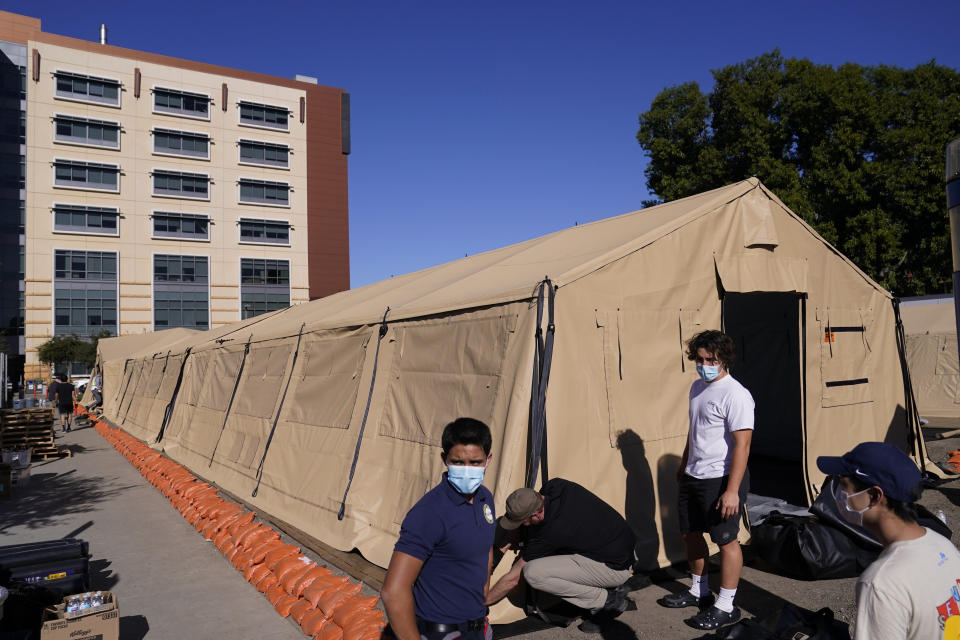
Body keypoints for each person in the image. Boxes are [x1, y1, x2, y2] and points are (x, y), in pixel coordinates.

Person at [657, 330, 754, 630]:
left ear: (724, 358)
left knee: (726, 541)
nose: (704, 365)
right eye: (699, 359)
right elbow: (695, 428)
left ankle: (726, 605)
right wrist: (685, 462)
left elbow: (743, 445)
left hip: (721, 479)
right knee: (690, 534)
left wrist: (732, 491)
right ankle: (698, 591)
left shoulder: (736, 394)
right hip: (694, 475)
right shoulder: (697, 387)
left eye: (710, 359)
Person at [817, 442, 960, 639]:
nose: (838, 495)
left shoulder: (881, 583)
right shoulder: (942, 544)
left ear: (875, 496)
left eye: (843, 486)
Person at [381, 418, 496, 640]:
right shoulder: (430, 512)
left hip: (477, 627)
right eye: (458, 462)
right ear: (444, 459)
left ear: (488, 460)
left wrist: (481, 602)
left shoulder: (485, 499)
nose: (466, 470)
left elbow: (486, 549)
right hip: (442, 632)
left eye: (475, 462)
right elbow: (393, 592)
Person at [485, 478, 636, 633]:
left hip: (616, 568)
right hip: (622, 546)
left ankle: (608, 601)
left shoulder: (551, 531)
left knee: (533, 573)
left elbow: (513, 579)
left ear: (536, 515)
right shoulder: (555, 486)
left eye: (523, 522)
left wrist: (483, 602)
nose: (521, 526)